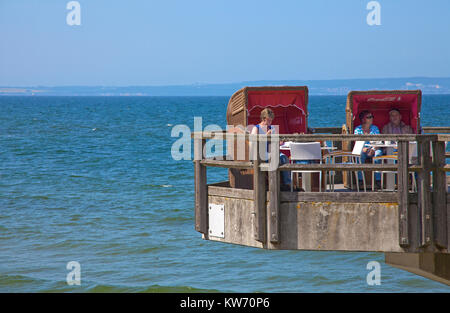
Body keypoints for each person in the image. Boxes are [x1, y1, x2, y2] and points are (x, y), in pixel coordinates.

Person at [250, 108, 292, 191]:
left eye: (271, 120)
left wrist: (279, 141)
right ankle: (276, 186)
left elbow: (275, 141)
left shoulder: (272, 128)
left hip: (273, 152)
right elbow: (253, 144)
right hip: (261, 153)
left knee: (285, 158)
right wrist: (266, 135)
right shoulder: (256, 128)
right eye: (268, 120)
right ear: (263, 119)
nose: (270, 122)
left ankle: (286, 184)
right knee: (276, 160)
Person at [354, 110, 382, 184]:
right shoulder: (358, 129)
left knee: (378, 154)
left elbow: (378, 142)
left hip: (375, 148)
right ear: (363, 119)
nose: (371, 118)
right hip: (363, 148)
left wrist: (373, 149)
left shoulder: (375, 128)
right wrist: (363, 148)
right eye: (369, 117)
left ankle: (378, 180)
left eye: (372, 116)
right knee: (359, 155)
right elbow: (358, 142)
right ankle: (360, 180)